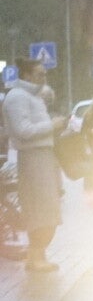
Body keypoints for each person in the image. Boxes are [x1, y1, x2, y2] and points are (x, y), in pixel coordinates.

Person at [4, 60, 60, 272]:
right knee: (39, 208)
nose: (43, 78)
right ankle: (35, 257)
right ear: (26, 75)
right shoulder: (17, 97)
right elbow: (23, 130)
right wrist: (51, 125)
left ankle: (38, 255)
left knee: (47, 208)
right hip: (32, 156)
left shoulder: (32, 96)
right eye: (39, 74)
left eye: (45, 74)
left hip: (43, 155)